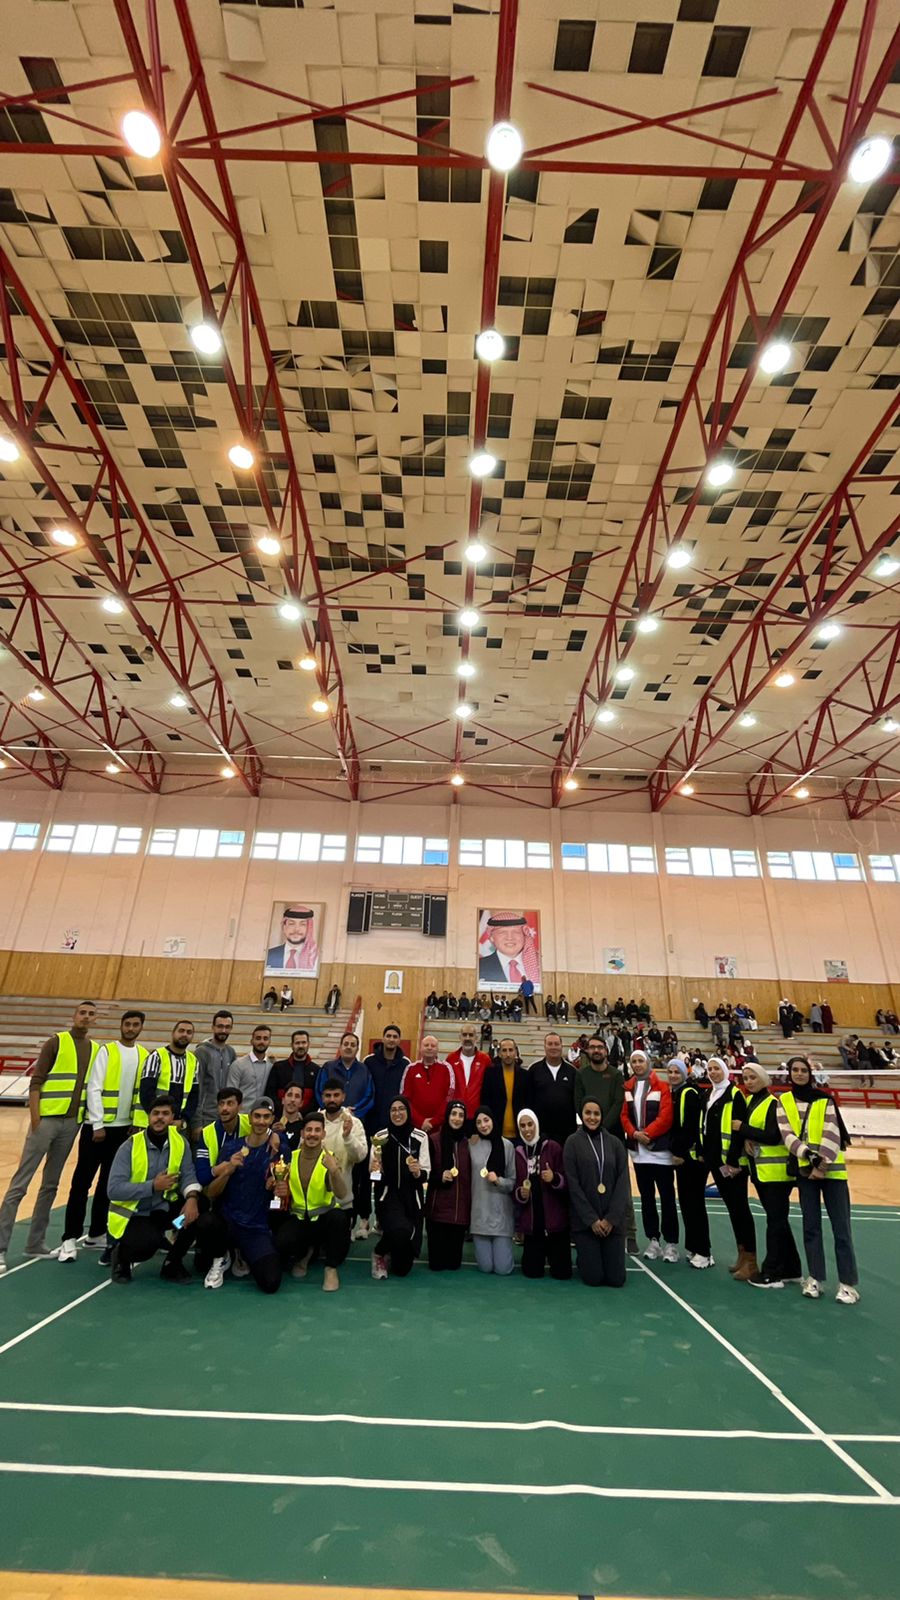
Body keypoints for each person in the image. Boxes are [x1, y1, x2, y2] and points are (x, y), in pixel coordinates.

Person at [0, 999, 98, 1271]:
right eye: (82, 1012)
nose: (86, 1017)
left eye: (91, 1014)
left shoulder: (94, 1048)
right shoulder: (56, 1042)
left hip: (71, 1124)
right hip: (46, 1121)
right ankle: (0, 1248)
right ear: (74, 1015)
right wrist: (35, 1118)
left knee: (51, 1185)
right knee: (20, 1184)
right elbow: (37, 1081)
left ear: (95, 1019)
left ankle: (35, 1243)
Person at [58, 1009, 147, 1262]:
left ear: (141, 1028)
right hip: (98, 1129)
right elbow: (94, 1087)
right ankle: (69, 1238)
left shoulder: (143, 1055)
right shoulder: (106, 1051)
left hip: (124, 1129)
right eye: (127, 1024)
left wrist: (135, 1123)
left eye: (135, 1025)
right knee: (81, 1182)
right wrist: (97, 1123)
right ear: (121, 1025)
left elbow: (140, 1093)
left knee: (108, 1184)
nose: (131, 1028)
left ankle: (96, 1232)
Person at [777, 1057, 859, 1304]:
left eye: (804, 1070)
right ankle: (815, 1278)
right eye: (795, 1070)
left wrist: (821, 1165)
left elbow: (833, 1133)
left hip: (832, 1173)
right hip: (806, 1173)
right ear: (789, 1073)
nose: (799, 1074)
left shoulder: (825, 1100)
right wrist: (808, 1156)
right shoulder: (783, 1100)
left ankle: (847, 1284)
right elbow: (787, 1134)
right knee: (811, 1227)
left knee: (841, 1229)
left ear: (810, 1073)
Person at [106, 1095, 201, 1283]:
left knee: (198, 1212)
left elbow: (188, 1174)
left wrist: (192, 1198)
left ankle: (172, 1264)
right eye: (155, 1113)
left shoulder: (180, 1142)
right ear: (148, 1116)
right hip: (135, 1214)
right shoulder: (129, 1146)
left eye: (165, 1114)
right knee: (147, 1244)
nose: (159, 1118)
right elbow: (114, 1190)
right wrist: (152, 1186)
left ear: (172, 1117)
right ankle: (121, 1257)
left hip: (164, 1213)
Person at [194, 1097, 283, 1294]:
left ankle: (242, 1254)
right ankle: (222, 1256)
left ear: (272, 1119)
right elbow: (211, 1193)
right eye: (257, 1116)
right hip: (227, 1223)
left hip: (256, 1228)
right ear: (249, 1118)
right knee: (205, 1224)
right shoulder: (231, 1148)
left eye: (266, 1117)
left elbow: (284, 1186)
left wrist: (277, 1185)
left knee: (271, 1283)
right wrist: (228, 1171)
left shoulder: (278, 1148)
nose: (261, 1121)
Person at [731, 1063, 802, 1289]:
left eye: (753, 1077)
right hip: (762, 1172)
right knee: (779, 1221)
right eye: (746, 1078)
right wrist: (747, 1137)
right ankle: (792, 1269)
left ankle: (772, 1272)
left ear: (763, 1079)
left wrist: (743, 1129)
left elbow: (772, 1135)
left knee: (775, 1222)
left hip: (776, 1175)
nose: (749, 1082)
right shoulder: (753, 1102)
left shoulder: (772, 1103)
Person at [272, 1110, 349, 1289]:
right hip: (299, 1218)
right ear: (302, 1133)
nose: (312, 1134)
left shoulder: (329, 1158)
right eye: (309, 1130)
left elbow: (341, 1194)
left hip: (324, 1219)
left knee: (339, 1217)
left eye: (317, 1130)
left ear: (323, 1134)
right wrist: (277, 1187)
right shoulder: (291, 1157)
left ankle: (330, 1269)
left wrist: (334, 1171)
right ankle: (306, 1253)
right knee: (282, 1242)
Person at [700, 1056, 757, 1280]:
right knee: (733, 1209)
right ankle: (741, 1254)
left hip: (732, 1164)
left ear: (725, 1070)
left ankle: (751, 1260)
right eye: (710, 1069)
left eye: (717, 1068)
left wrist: (733, 1161)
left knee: (741, 1209)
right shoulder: (709, 1094)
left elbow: (738, 1130)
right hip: (715, 1161)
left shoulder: (735, 1095)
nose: (713, 1072)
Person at [563, 1098, 629, 1288]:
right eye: (588, 1113)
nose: (592, 1117)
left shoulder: (615, 1143)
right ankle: (584, 1257)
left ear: (602, 1116)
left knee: (616, 1279)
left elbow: (622, 1183)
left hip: (611, 1224)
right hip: (586, 1224)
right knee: (593, 1278)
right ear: (582, 1115)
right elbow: (573, 1186)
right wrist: (592, 1220)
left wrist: (611, 1219)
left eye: (596, 1113)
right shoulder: (572, 1143)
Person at [621, 1049, 678, 1263]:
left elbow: (666, 1117)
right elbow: (624, 1116)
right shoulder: (627, 1088)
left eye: (640, 1061)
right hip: (639, 1154)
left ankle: (671, 1243)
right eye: (633, 1061)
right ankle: (653, 1240)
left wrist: (647, 1134)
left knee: (667, 1199)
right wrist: (634, 1134)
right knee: (646, 1199)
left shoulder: (662, 1087)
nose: (637, 1064)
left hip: (660, 1153)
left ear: (648, 1063)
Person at [314, 1033, 373, 1233]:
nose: (348, 1047)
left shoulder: (364, 1070)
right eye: (345, 1043)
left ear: (357, 1048)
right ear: (340, 1046)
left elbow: (370, 1095)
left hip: (355, 1124)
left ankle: (354, 1218)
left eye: (353, 1044)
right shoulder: (328, 1068)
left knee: (356, 1178)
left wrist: (353, 1112)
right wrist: (326, 1109)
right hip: (317, 1192)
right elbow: (320, 1091)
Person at [370, 1096, 430, 1279]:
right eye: (393, 1110)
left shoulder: (420, 1137)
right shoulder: (380, 1137)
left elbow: (427, 1171)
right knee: (402, 1230)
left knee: (402, 1269)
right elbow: (373, 1175)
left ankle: (393, 1247)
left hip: (412, 1198)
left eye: (401, 1109)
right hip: (388, 1196)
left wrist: (417, 1172)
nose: (397, 1113)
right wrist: (375, 1169)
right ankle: (379, 1253)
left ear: (408, 1111)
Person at [667, 1058, 712, 1268]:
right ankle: (695, 1247)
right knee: (687, 1203)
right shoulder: (676, 1093)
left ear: (685, 1074)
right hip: (685, 1159)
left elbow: (689, 1127)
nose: (673, 1075)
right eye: (670, 1072)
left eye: (677, 1072)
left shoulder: (688, 1093)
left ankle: (704, 1252)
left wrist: (680, 1152)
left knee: (695, 1204)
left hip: (692, 1160)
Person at [514, 1108, 570, 1280]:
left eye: (530, 1124)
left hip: (555, 1223)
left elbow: (567, 1183)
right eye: (522, 1126)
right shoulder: (518, 1152)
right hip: (533, 1224)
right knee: (532, 1272)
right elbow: (515, 1188)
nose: (527, 1129)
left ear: (536, 1125)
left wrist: (554, 1178)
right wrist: (521, 1194)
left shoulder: (553, 1147)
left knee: (562, 1274)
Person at [469, 1107, 516, 1275]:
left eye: (486, 1120)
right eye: (478, 1122)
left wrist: (498, 1181)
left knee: (503, 1269)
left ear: (493, 1120)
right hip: (479, 1217)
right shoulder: (471, 1144)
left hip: (501, 1217)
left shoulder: (507, 1146)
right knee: (486, 1267)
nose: (483, 1125)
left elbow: (512, 1182)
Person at [426, 1100, 471, 1271]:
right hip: (437, 1214)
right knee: (436, 1265)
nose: (457, 1119)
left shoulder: (468, 1144)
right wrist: (439, 1177)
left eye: (461, 1115)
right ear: (447, 1116)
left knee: (453, 1265)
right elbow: (425, 1173)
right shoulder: (434, 1140)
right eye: (454, 1114)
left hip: (458, 1215)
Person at [320, 1079, 368, 1229]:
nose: (332, 1099)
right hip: (316, 1199)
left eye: (336, 1095)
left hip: (344, 1200)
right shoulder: (315, 1122)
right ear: (322, 1097)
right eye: (328, 1095)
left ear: (343, 1097)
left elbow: (360, 1157)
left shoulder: (354, 1123)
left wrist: (348, 1137)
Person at [137, 1020, 198, 1129]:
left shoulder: (193, 1061)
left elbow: (194, 1096)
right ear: (173, 1033)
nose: (185, 1034)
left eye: (189, 1032)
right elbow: (146, 1092)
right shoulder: (156, 1056)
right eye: (181, 1031)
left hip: (177, 1125)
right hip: (153, 1124)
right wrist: (162, 1118)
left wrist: (184, 1120)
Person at [528, 1032, 577, 1147]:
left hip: (567, 1132)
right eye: (550, 1044)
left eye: (556, 1044)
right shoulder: (534, 1070)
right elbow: (528, 1099)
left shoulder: (572, 1071)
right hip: (541, 1132)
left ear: (561, 1046)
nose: (553, 1047)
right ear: (544, 1046)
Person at [194, 1011, 240, 1132]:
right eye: (220, 1026)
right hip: (205, 1117)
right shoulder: (202, 1052)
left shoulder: (230, 1052)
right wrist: (197, 1122)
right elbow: (197, 1087)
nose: (223, 1030)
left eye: (227, 1027)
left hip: (225, 1116)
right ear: (213, 1027)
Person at [400, 1035, 453, 1131]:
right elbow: (405, 1098)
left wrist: (434, 1121)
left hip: (440, 1127)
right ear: (420, 1048)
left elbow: (449, 1097)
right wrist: (420, 1121)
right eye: (426, 1045)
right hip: (415, 1126)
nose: (429, 1048)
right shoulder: (411, 1069)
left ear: (437, 1049)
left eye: (433, 1045)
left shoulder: (446, 1068)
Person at [365, 1025, 411, 1135]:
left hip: (394, 1118)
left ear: (399, 1040)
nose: (391, 1039)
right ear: (383, 1039)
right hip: (372, 1118)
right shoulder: (369, 1061)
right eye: (388, 1036)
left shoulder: (406, 1064)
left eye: (395, 1037)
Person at [481, 1036, 529, 1140]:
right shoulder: (490, 1074)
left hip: (519, 1133)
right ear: (499, 1053)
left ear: (516, 1052)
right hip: (496, 1132)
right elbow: (485, 1101)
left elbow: (528, 1103)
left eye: (511, 1050)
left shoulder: (525, 1076)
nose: (508, 1054)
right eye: (504, 1050)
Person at [478, 910, 538, 989]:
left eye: (516, 932)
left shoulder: (538, 965)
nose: (510, 938)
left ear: (524, 935)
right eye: (502, 932)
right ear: (492, 938)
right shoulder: (480, 966)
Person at [446, 1022, 492, 1121]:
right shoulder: (451, 1059)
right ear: (460, 1037)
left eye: (471, 1035)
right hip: (456, 1115)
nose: (467, 1038)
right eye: (464, 1035)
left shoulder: (485, 1060)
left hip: (477, 1115)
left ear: (477, 1038)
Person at [265, 1028, 318, 1112]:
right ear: (292, 1045)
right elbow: (270, 1093)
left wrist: (303, 1114)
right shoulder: (278, 1067)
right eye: (297, 1043)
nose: (301, 1046)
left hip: (307, 1117)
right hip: (281, 1115)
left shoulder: (316, 1069)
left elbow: (316, 1097)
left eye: (304, 1042)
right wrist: (284, 1111)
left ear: (308, 1044)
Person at [266, 906, 319, 972]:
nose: (296, 929)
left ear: (309, 929)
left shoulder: (315, 956)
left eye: (302, 924)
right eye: (291, 924)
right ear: (284, 927)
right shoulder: (269, 955)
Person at [232, 1024, 274, 1106]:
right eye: (258, 1038)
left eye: (265, 1039)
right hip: (242, 1112)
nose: (262, 1042)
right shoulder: (238, 1065)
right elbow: (231, 1094)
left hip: (262, 1113)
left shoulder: (271, 1066)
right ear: (251, 1041)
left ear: (269, 1042)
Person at [274, 1082, 306, 1154]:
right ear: (283, 1100)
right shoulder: (272, 1123)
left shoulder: (304, 1128)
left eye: (297, 1096)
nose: (292, 1099)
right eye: (289, 1095)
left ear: (301, 1103)